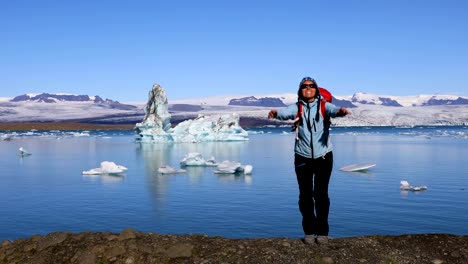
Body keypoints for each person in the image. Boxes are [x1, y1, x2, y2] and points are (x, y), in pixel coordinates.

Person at [268, 77, 349, 245]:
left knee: (321, 195)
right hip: (302, 156)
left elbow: (333, 110)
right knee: (305, 196)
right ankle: (309, 232)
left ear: (316, 89)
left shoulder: (324, 106)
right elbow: (286, 113)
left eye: (312, 86)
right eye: (304, 86)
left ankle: (323, 233)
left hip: (324, 157)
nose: (308, 88)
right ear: (301, 90)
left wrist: (340, 112)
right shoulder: (297, 107)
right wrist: (276, 113)